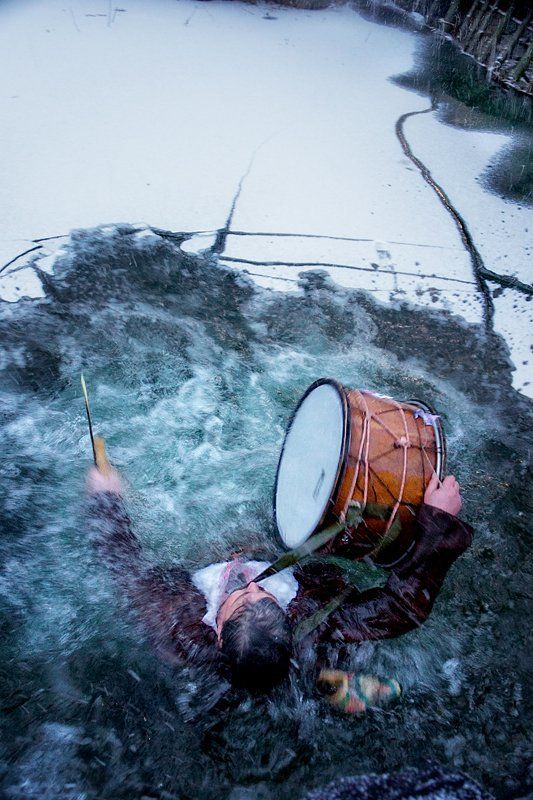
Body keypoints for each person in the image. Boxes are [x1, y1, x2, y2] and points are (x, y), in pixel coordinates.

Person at [87, 437, 473, 696]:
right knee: (312, 665)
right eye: (257, 592)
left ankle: (313, 682)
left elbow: (122, 565)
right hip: (296, 653)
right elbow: (403, 607)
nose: (250, 582)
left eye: (250, 595)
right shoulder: (313, 629)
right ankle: (318, 683)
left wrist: (106, 499)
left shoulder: (175, 622)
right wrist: (438, 525)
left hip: (268, 649)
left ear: (219, 630)